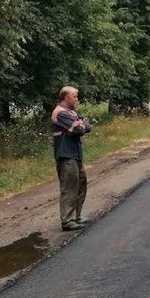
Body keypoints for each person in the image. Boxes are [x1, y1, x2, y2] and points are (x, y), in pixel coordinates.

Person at [51, 86, 92, 231]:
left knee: (81, 184)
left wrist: (82, 124)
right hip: (66, 155)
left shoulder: (71, 112)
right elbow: (80, 129)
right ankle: (67, 220)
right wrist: (81, 124)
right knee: (69, 187)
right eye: (75, 96)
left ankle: (76, 217)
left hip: (75, 154)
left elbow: (87, 126)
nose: (77, 99)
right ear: (66, 97)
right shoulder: (60, 113)